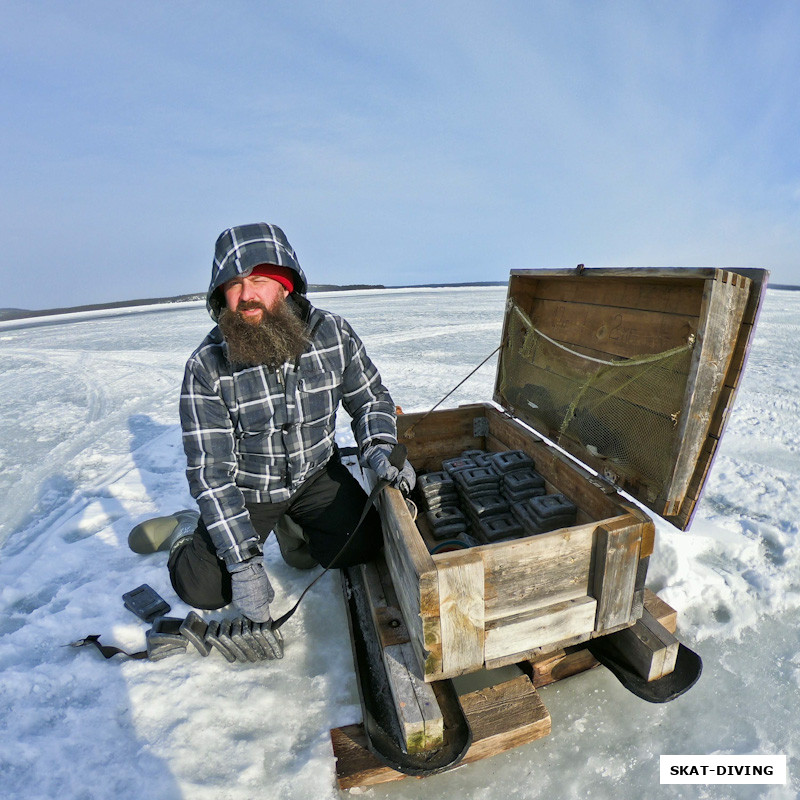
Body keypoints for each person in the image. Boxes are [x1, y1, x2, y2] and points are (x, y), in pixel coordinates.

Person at [129, 222, 415, 630]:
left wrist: (379, 446)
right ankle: (184, 530)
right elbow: (211, 474)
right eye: (233, 284)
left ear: (285, 284)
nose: (246, 295)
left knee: (362, 545)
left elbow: (369, 398)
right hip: (249, 488)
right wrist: (243, 564)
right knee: (205, 589)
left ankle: (295, 531)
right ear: (221, 295)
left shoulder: (333, 333)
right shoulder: (206, 366)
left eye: (259, 279)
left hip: (315, 472)